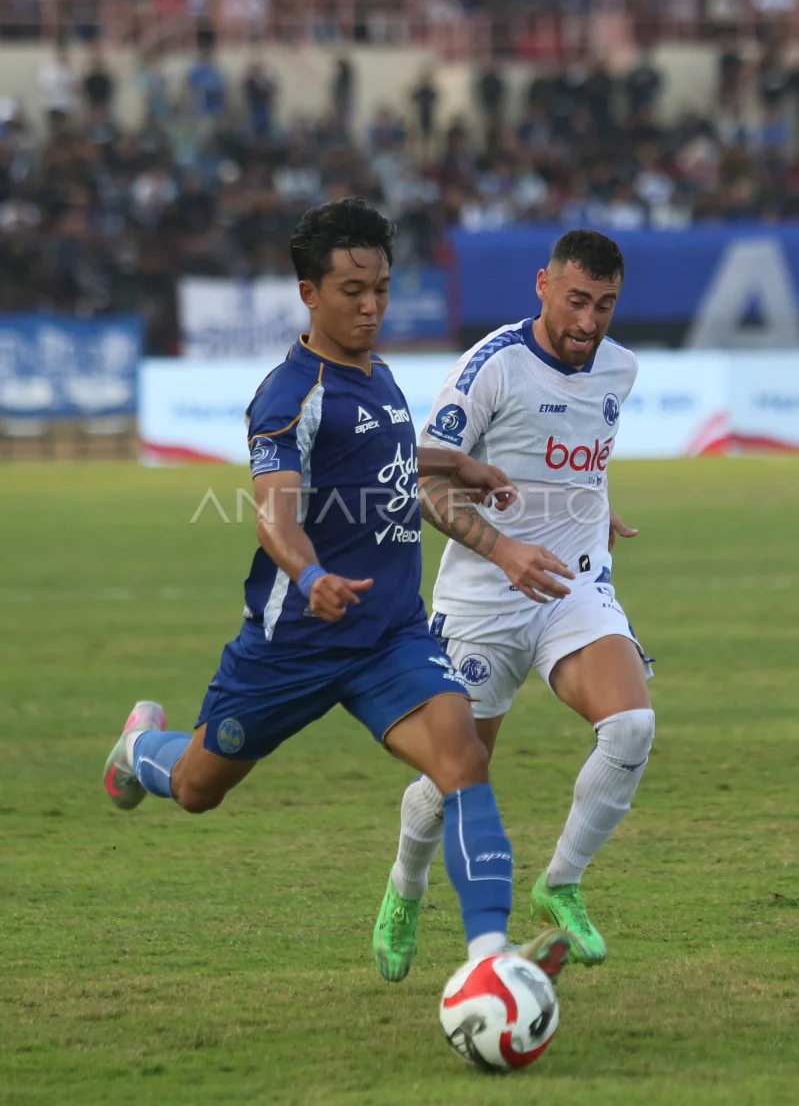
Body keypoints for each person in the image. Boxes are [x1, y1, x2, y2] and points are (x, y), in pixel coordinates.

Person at [103, 197, 571, 982]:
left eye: (380, 288)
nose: (370, 306)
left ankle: (489, 960)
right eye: (352, 290)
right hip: (294, 644)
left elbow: (384, 456)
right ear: (308, 293)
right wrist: (310, 574)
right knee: (196, 788)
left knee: (461, 758)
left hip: (389, 635)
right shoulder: (288, 395)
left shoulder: (378, 374)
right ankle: (139, 749)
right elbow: (273, 516)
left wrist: (455, 463)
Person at [373, 229, 655, 980]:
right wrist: (503, 550)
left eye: (604, 305)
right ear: (542, 285)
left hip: (573, 585)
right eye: (576, 301)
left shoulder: (620, 368)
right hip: (482, 601)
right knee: (454, 777)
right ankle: (405, 888)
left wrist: (593, 505)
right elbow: (422, 481)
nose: (588, 322)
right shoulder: (490, 367)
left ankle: (559, 884)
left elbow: (577, 458)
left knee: (630, 726)